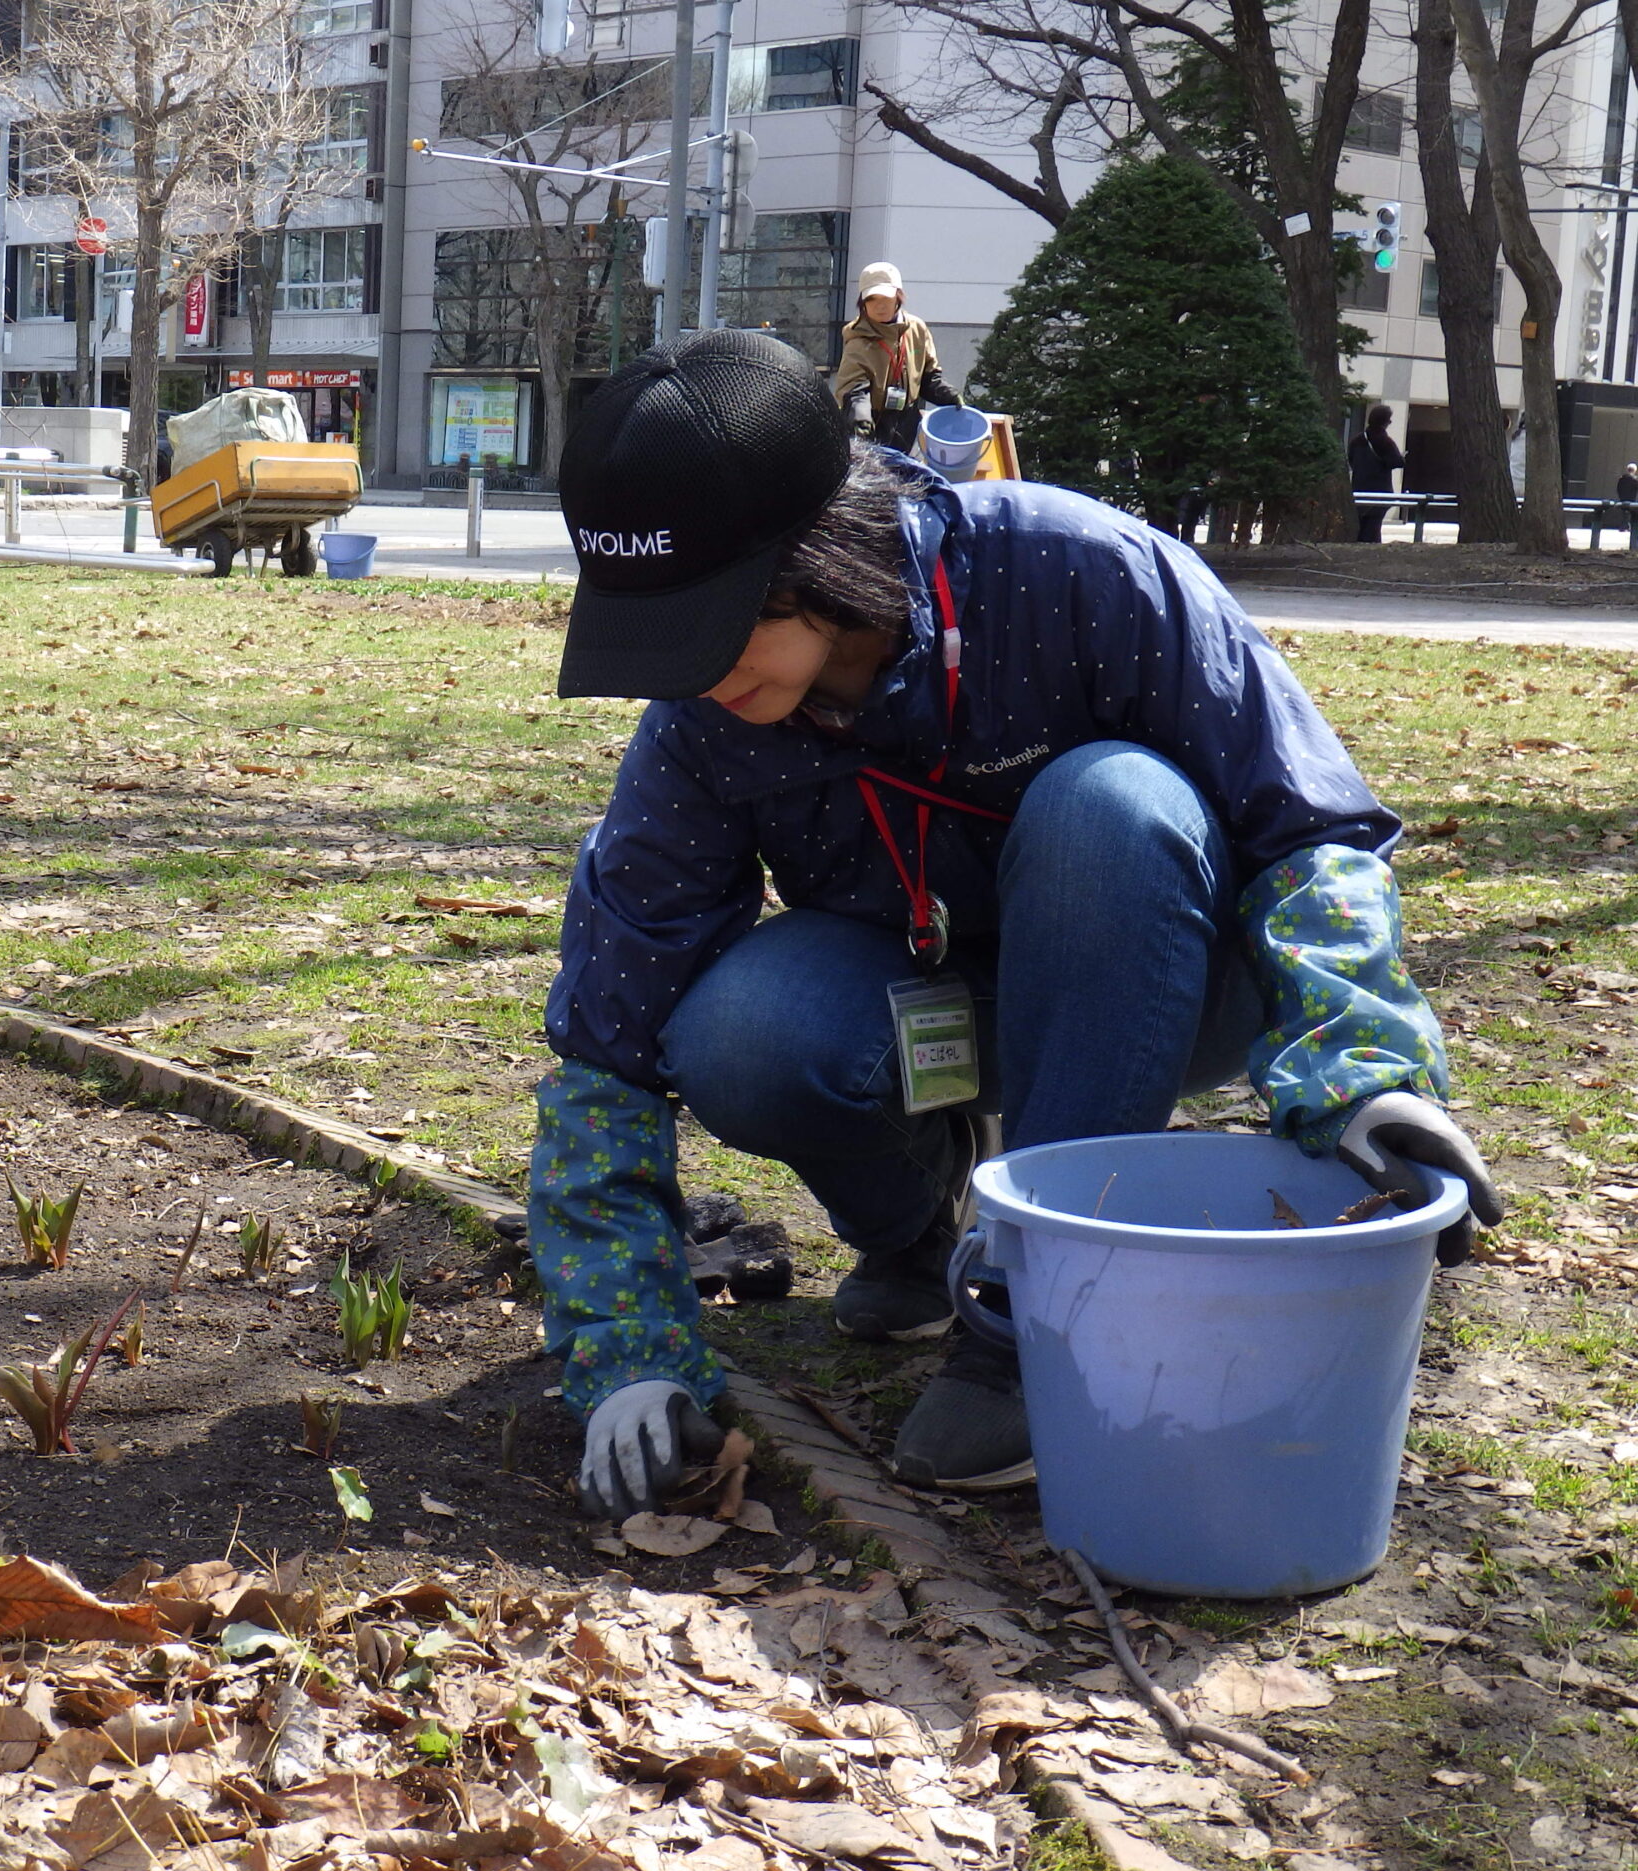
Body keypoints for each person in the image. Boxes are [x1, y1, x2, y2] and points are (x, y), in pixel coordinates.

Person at [532, 330, 1503, 1520]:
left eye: (716, 625)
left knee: (1111, 804)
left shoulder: (1078, 573)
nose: (689, 679)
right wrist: (620, 1351)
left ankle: (1028, 1327)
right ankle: (919, 1228)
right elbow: (607, 1035)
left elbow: (1306, 831)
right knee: (740, 1031)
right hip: (927, 994)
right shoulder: (703, 720)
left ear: (825, 554)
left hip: (1153, 975)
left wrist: (1365, 1077)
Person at [830, 262, 958, 456]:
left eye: (886, 298)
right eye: (872, 299)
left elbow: (928, 377)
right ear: (862, 303)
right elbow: (854, 391)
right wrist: (860, 421)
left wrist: (950, 396)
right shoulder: (857, 340)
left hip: (907, 421)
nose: (879, 306)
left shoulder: (916, 329)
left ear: (898, 297)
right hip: (871, 424)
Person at [1348, 404, 1404, 543]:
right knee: (1373, 528)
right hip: (1380, 490)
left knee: (1361, 526)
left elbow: (1351, 460)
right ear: (1385, 421)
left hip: (1359, 489)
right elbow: (1397, 462)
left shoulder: (1356, 440)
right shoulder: (1385, 441)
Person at [1615, 462, 1636, 540]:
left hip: (1623, 498)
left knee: (1624, 512)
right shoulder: (1635, 479)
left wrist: (1620, 496)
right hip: (1631, 498)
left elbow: (1618, 488)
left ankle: (1624, 526)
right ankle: (1628, 526)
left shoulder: (1621, 479)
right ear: (1634, 470)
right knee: (1632, 513)